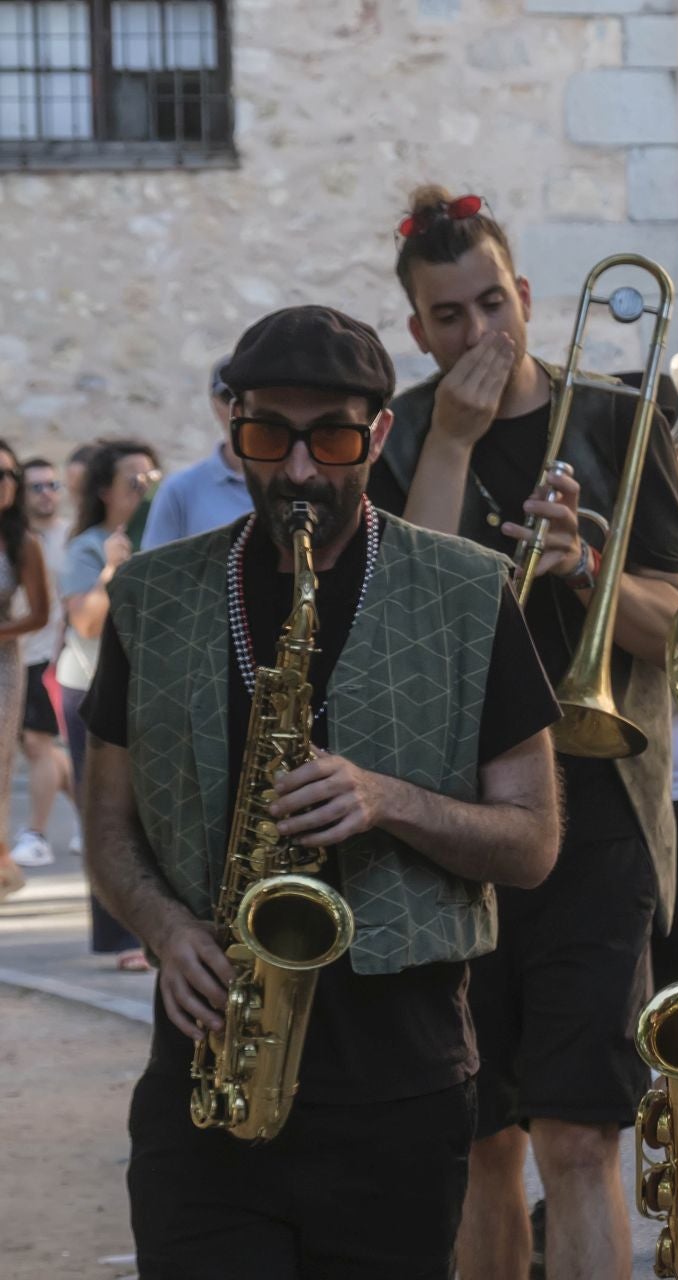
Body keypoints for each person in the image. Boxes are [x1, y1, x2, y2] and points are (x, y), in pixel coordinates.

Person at [84, 304, 563, 1277]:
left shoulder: (471, 591)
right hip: (205, 1082)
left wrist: (391, 799)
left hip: (400, 1089)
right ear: (234, 432)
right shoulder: (152, 595)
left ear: (380, 433)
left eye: (333, 438)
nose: (299, 470)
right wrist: (170, 931)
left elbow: (535, 838)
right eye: (268, 436)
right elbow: (106, 824)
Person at [371, 186, 678, 1280]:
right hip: (453, 821)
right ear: (415, 329)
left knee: (578, 1134)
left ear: (527, 295)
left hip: (598, 809)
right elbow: (401, 625)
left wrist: (594, 566)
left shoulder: (617, 417)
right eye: (449, 316)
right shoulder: (404, 434)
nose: (478, 334)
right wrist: (453, 444)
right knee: (477, 1143)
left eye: (493, 304)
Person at [60, 437, 160, 968]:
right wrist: (112, 569)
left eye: (152, 479)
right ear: (105, 491)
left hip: (148, 689)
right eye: (133, 482)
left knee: (153, 810)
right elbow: (87, 622)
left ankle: (151, 932)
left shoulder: (162, 540)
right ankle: (122, 938)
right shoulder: (87, 547)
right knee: (107, 809)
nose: (145, 490)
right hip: (90, 688)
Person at [13, 457, 69, 870]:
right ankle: (90, 812)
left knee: (36, 745)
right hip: (18, 653)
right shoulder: (16, 536)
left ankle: (36, 834)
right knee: (40, 749)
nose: (47, 493)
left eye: (53, 485)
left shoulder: (68, 538)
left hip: (44, 657)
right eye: (37, 487)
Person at [0, 443, 49, 899]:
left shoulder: (22, 542)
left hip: (2, 661)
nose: (6, 484)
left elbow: (38, 614)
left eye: (10, 475)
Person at [143, 359, 255, 546]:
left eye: (246, 397)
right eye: (229, 397)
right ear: (214, 403)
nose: (238, 409)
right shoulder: (180, 490)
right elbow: (155, 571)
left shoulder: (292, 479)